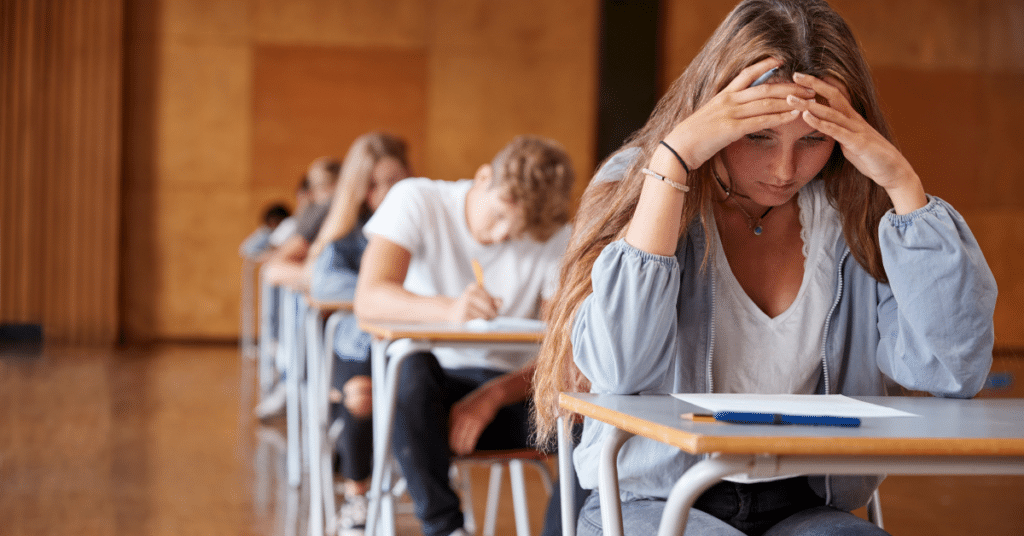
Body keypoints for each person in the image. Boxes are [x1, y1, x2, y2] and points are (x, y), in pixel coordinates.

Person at [531, 1, 998, 535]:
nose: (784, 170)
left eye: (814, 141)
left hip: (807, 502)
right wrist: (672, 162)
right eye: (758, 137)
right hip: (653, 500)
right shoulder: (642, 184)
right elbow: (619, 369)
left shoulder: (856, 211)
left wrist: (902, 185)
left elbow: (952, 369)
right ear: (712, 116)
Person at [354, 135, 576, 536]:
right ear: (483, 177)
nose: (506, 234)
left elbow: (563, 354)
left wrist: (492, 396)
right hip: (426, 396)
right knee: (411, 368)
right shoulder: (417, 201)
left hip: (510, 392)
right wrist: (447, 309)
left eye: (523, 227)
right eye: (502, 215)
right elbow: (369, 298)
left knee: (585, 421)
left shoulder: (556, 236)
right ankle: (445, 528)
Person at [305, 132, 410, 536]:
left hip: (409, 341)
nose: (385, 192)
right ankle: (357, 495)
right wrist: (385, 292)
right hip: (359, 345)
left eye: (394, 180)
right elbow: (323, 284)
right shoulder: (348, 236)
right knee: (362, 392)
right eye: (375, 184)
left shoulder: (419, 224)